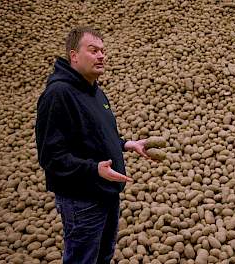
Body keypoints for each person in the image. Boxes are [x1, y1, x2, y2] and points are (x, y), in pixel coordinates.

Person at [35, 27, 151, 263]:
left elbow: (97, 135)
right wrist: (93, 169)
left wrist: (126, 144)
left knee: (102, 257)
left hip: (107, 193)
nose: (101, 56)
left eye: (103, 51)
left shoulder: (94, 92)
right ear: (73, 55)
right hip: (82, 200)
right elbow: (50, 157)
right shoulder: (58, 94)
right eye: (93, 50)